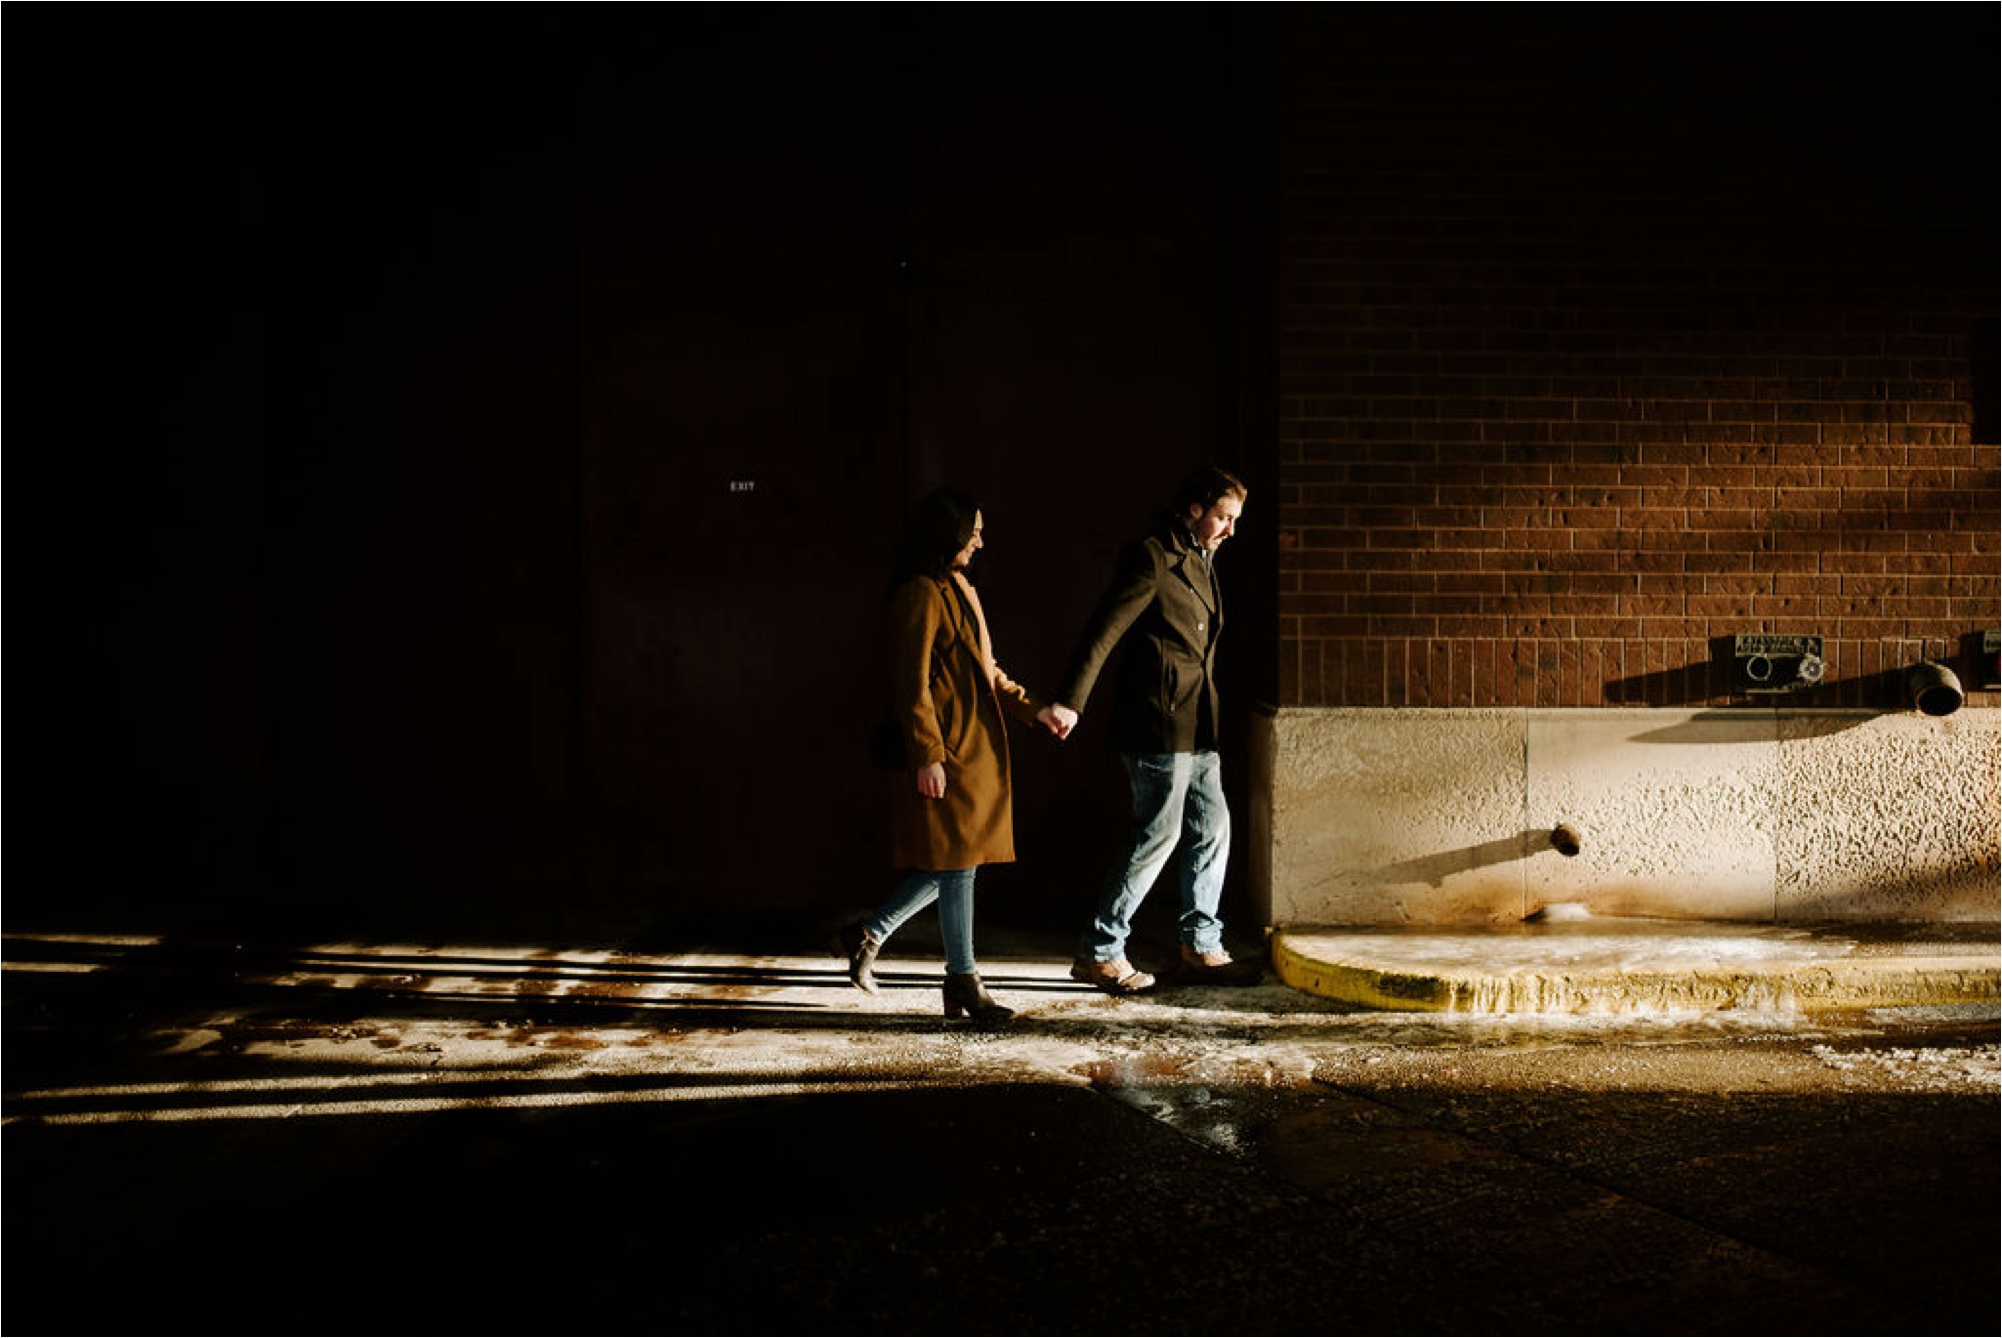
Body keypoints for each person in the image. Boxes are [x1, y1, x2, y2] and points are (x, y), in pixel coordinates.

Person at [836, 487, 1055, 1024]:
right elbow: (911, 685)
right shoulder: (920, 594)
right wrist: (927, 754)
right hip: (950, 750)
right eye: (973, 532)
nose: (980, 541)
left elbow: (989, 671)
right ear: (947, 535)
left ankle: (872, 934)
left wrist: (1037, 710)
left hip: (973, 748)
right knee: (959, 862)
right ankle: (961, 978)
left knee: (960, 861)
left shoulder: (960, 588)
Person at [1037, 465, 1255, 994]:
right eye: (1223, 517)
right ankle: (1100, 950)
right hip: (1158, 724)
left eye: (1234, 520)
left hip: (1199, 724)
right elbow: (1104, 629)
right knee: (1158, 833)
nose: (1231, 530)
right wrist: (1071, 701)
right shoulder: (1154, 558)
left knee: (1213, 830)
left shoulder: (1202, 560)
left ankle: (1201, 944)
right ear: (1195, 509)